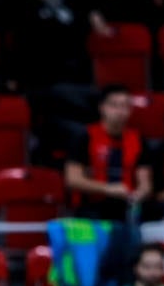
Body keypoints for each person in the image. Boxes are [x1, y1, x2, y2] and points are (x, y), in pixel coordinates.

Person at [63, 84, 152, 222]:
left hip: (125, 206)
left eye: (125, 106)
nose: (120, 111)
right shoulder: (85, 136)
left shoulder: (138, 140)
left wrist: (139, 193)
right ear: (102, 107)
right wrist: (108, 189)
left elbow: (145, 183)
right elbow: (72, 179)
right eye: (114, 105)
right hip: (91, 207)